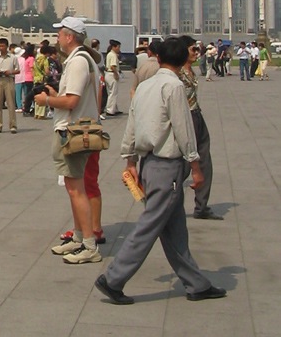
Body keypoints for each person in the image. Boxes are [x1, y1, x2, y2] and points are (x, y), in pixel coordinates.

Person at [95, 37, 227, 305]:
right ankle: (113, 278)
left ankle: (196, 283)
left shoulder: (146, 86)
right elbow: (183, 128)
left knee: (175, 228)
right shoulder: (173, 85)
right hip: (168, 166)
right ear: (181, 60)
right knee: (150, 224)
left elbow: (132, 123)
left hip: (148, 163)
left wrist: (129, 160)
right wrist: (196, 166)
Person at [38, 16, 102, 265]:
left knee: (77, 189)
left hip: (72, 132)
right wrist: (57, 94)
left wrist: (47, 101)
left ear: (69, 36)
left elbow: (72, 102)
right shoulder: (82, 60)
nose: (57, 38)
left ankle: (89, 244)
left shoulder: (77, 62)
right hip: (76, 128)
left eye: (60, 34)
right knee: (74, 187)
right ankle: (78, 236)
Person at [178, 35, 220, 220]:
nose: (197, 52)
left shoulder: (191, 71)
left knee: (205, 163)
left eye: (197, 49)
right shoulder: (177, 73)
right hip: (184, 119)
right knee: (183, 165)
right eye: (193, 49)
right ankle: (167, 205)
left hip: (197, 116)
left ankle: (201, 206)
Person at [0, 37, 20, 132]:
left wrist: (10, 72)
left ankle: (13, 125)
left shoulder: (13, 58)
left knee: (11, 103)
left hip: (9, 80)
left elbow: (18, 70)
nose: (1, 48)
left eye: (3, 46)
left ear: (7, 46)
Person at [104, 39, 123, 116]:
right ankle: (110, 110)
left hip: (108, 74)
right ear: (114, 47)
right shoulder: (113, 55)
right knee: (113, 93)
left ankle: (114, 108)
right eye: (118, 47)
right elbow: (112, 66)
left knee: (111, 92)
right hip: (112, 74)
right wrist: (116, 74)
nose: (119, 49)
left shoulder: (109, 54)